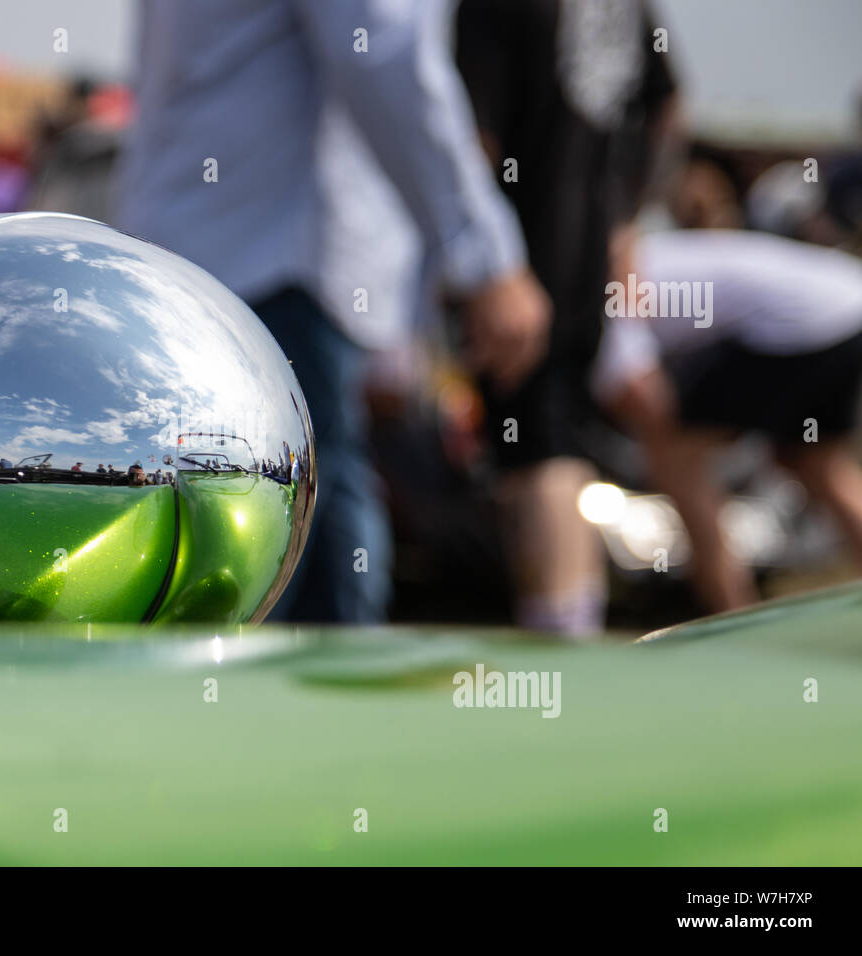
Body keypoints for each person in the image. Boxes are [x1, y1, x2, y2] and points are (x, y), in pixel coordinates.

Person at [117, 0, 549, 624]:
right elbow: (382, 51)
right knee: (283, 546)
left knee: (228, 531)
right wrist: (484, 254)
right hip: (277, 273)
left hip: (204, 261)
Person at [454, 0, 677, 635]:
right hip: (585, 267)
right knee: (562, 444)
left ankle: (558, 652)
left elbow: (475, 137)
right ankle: (571, 635)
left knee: (536, 452)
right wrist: (627, 218)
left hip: (518, 268)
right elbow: (668, 102)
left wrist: (472, 257)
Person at [593, 228, 862, 612]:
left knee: (673, 463)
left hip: (797, 323)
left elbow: (645, 398)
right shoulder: (636, 256)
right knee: (816, 464)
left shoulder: (594, 289)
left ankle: (732, 615)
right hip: (846, 304)